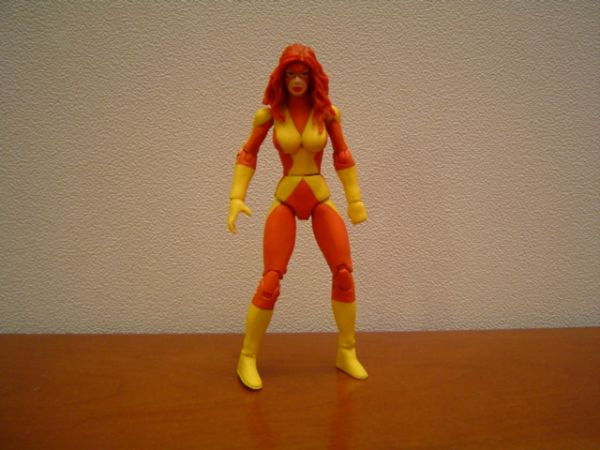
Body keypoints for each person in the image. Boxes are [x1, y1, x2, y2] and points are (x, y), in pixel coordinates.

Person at [227, 44, 368, 390]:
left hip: (319, 197)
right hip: (287, 199)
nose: (297, 80)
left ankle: (346, 351)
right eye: (291, 74)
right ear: (281, 77)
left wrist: (354, 200)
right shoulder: (269, 116)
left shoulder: (328, 114)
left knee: (344, 274)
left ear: (313, 77)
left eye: (303, 74)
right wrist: (236, 198)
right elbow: (247, 154)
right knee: (271, 280)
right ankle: (247, 356)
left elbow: (343, 156)